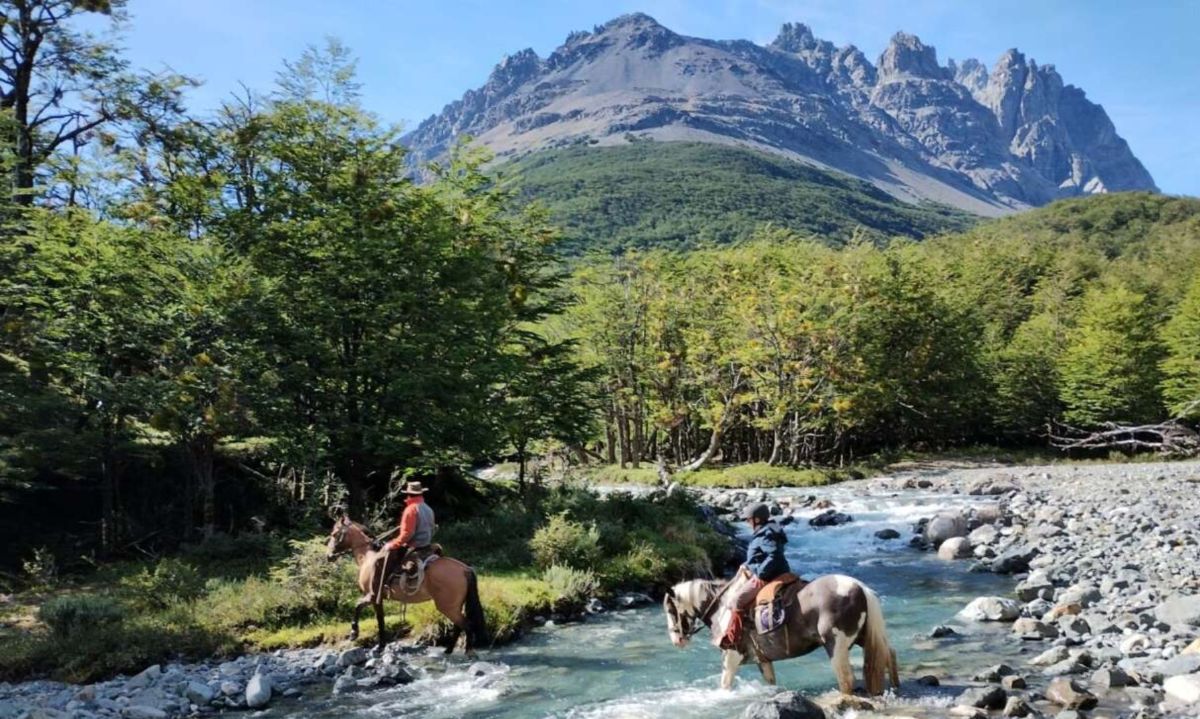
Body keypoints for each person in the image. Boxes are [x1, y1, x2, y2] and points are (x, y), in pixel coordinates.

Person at [720, 502, 790, 647]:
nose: (747, 521)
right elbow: (760, 555)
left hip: (768, 574)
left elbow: (773, 556)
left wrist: (759, 573)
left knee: (737, 600)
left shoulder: (765, 534)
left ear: (757, 519)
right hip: (779, 570)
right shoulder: (770, 529)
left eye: (748, 519)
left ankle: (733, 639)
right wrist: (747, 564)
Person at [370, 480, 437, 602]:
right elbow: (432, 528)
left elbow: (407, 534)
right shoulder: (428, 508)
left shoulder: (410, 509)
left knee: (381, 560)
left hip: (413, 546)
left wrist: (391, 545)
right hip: (426, 545)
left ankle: (378, 592)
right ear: (420, 494)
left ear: (409, 494)